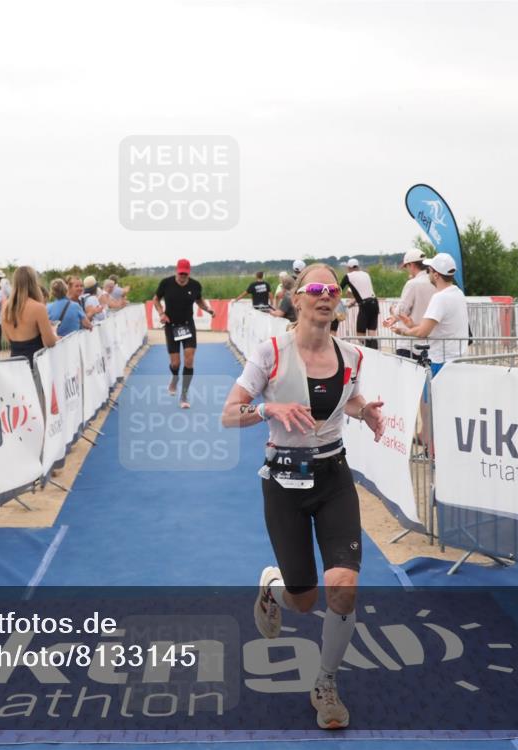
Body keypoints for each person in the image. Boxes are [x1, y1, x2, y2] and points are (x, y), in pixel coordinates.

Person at [221, 263, 385, 730]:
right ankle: (273, 586)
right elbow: (229, 414)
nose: (325, 295)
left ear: (339, 301)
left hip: (333, 476)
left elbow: (344, 398)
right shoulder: (269, 352)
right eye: (315, 288)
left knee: (343, 590)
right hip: (283, 481)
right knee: (304, 601)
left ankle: (326, 683)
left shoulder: (351, 357)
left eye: (332, 289)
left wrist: (363, 411)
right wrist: (267, 407)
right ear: (297, 299)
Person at [392, 253, 469, 375]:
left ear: (436, 275)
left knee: (433, 394)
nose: (428, 274)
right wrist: (412, 326)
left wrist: (402, 331)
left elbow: (423, 332)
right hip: (458, 359)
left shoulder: (439, 298)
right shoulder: (458, 293)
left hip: (441, 361)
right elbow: (437, 328)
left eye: (429, 271)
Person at [153, 258, 214, 409]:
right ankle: (174, 378)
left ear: (189, 272)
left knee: (189, 360)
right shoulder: (166, 283)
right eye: (180, 273)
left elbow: (199, 300)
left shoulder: (195, 285)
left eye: (185, 274)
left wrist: (207, 309)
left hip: (188, 325)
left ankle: (184, 395)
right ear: (176, 270)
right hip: (171, 325)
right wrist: (161, 313)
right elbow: (156, 300)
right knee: (175, 363)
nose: (182, 277)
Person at [384, 248, 436, 360]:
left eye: (406, 266)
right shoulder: (435, 282)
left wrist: (393, 310)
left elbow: (402, 311)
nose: (407, 270)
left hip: (409, 342)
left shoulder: (412, 284)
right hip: (430, 343)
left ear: (412, 265)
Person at [2, 266, 58, 366]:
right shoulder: (38, 307)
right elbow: (50, 342)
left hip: (14, 363)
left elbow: (8, 338)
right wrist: (55, 334)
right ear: (34, 282)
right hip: (35, 365)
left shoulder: (6, 307)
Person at [340, 259, 379, 350]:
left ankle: (367, 350)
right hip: (374, 303)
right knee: (372, 333)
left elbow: (339, 290)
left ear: (348, 268)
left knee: (360, 334)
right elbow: (365, 291)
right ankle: (375, 351)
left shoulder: (348, 276)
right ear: (358, 266)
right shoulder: (366, 274)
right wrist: (354, 301)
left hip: (365, 305)